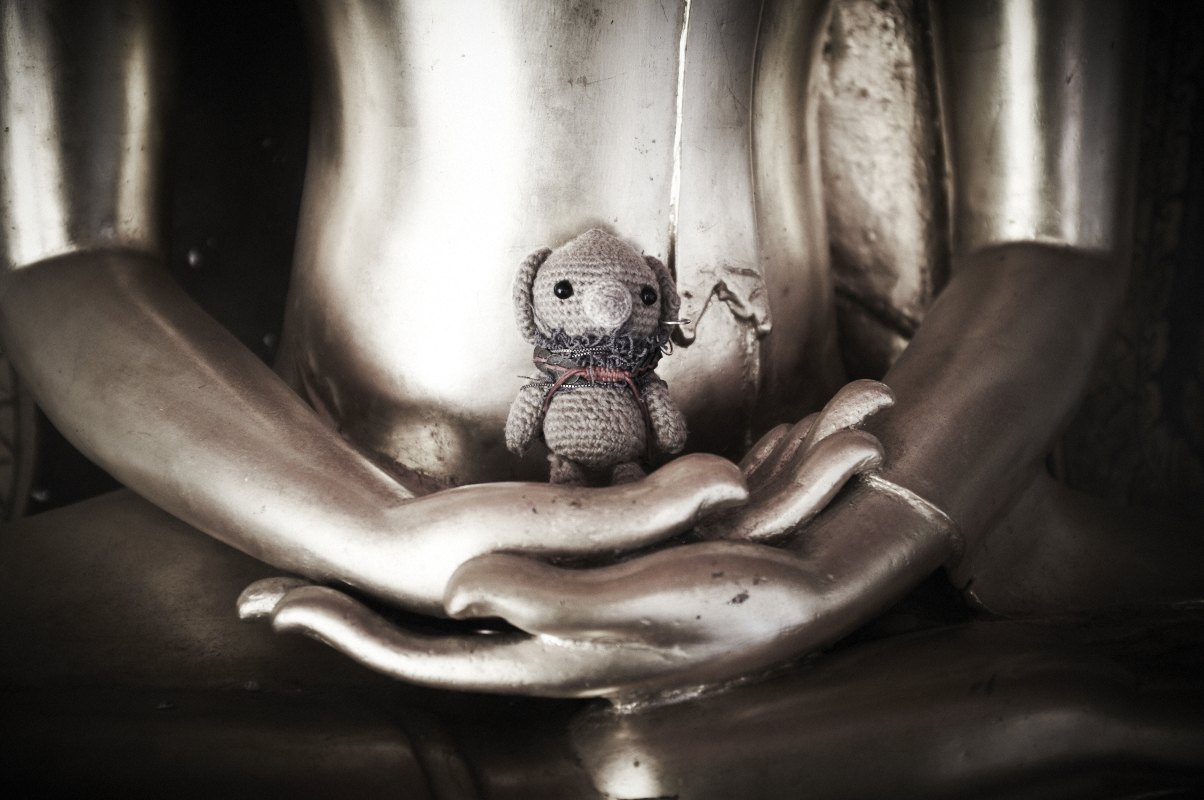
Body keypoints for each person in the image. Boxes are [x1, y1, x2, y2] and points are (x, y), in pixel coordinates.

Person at [1, 0, 1200, 704]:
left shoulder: (863, 527)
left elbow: (1048, 236)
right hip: (300, 488)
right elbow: (65, 252)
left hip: (841, 488)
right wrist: (371, 527)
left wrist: (866, 543)